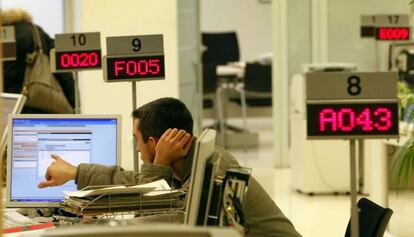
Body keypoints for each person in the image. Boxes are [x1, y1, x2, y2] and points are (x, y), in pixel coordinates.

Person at [38, 97, 302, 237]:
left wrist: (160, 163)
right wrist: (75, 173)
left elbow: (170, 223)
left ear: (155, 142)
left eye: (138, 141)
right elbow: (132, 181)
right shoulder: (192, 161)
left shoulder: (214, 170)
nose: (138, 149)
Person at [1, 8, 75, 113]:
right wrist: (72, 103)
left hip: (9, 106)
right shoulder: (37, 32)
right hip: (41, 101)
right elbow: (62, 70)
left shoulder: (4, 34)